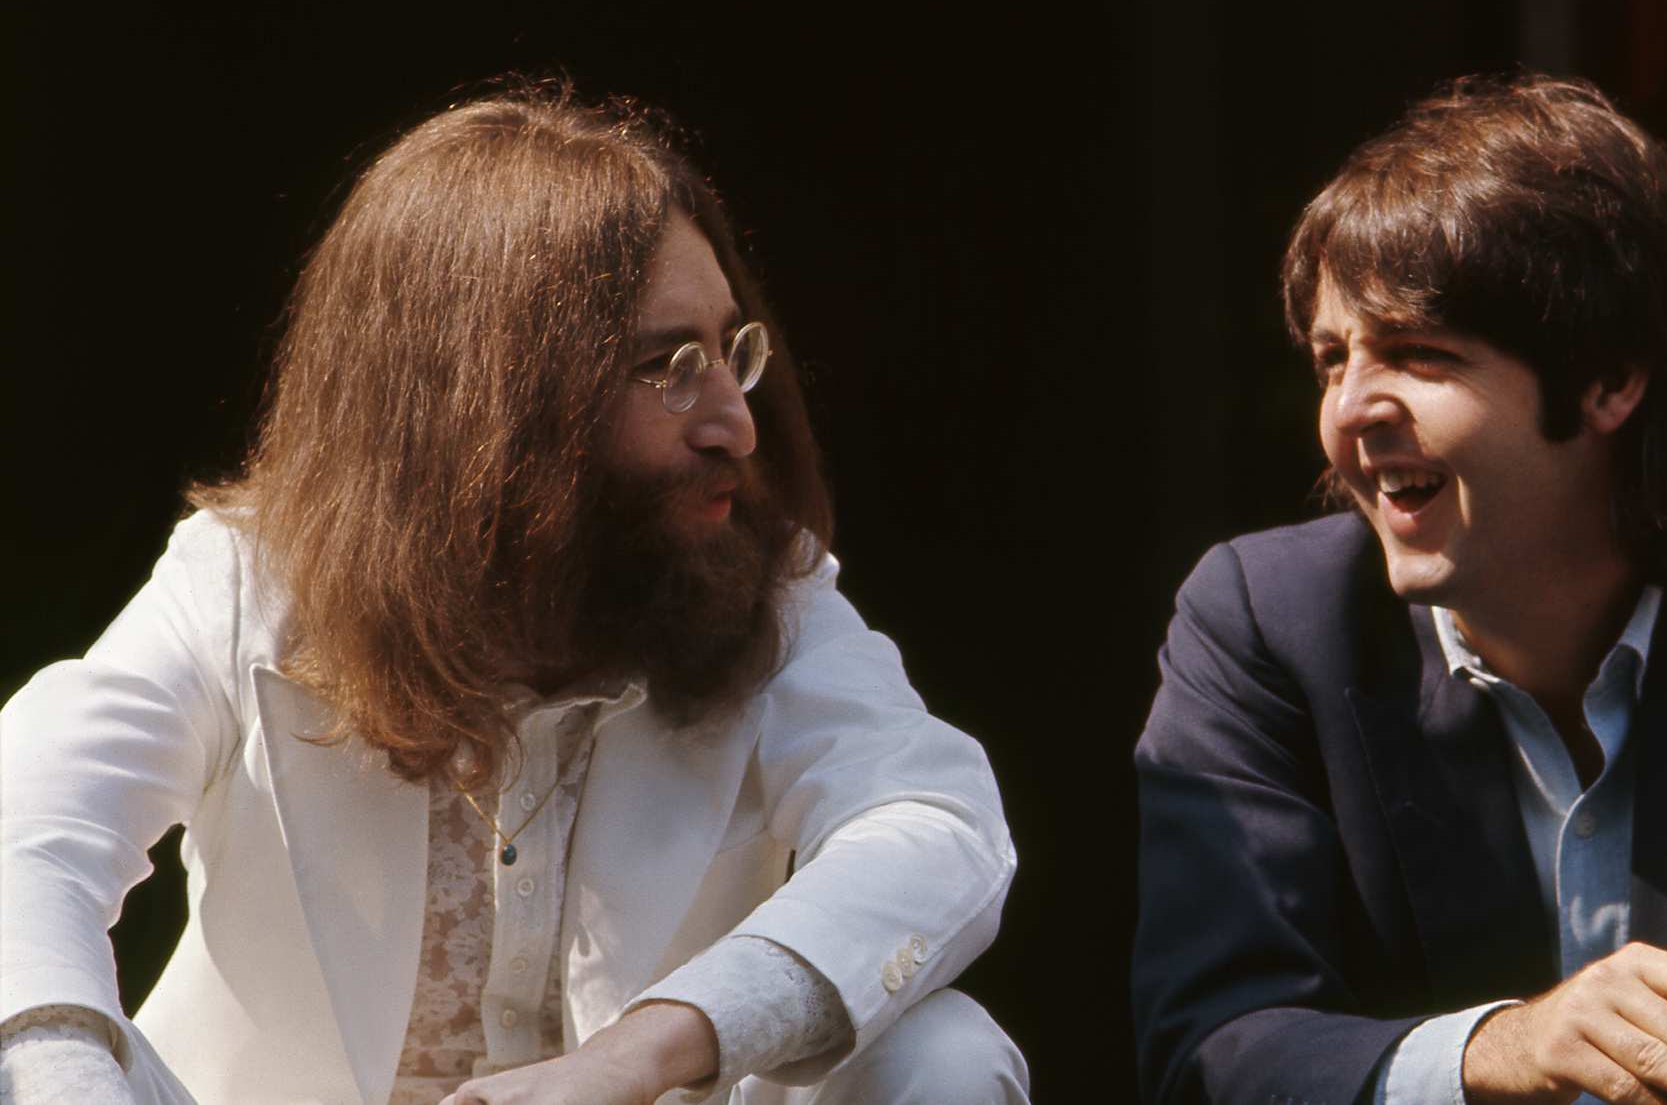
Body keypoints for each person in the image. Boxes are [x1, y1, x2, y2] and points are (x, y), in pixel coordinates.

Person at [0, 82, 1028, 1105]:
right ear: (487, 401)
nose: (735, 425)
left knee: (941, 1054)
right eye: (666, 366)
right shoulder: (247, 581)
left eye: (730, 352)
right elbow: (29, 830)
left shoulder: (757, 586)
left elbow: (933, 821)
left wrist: (637, 1056)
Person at [1132, 74, 1667, 1105]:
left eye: (1416, 354)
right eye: (1330, 359)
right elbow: (1208, 1047)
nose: (1349, 410)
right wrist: (1500, 1049)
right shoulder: (1262, 622)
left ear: (1607, 380)